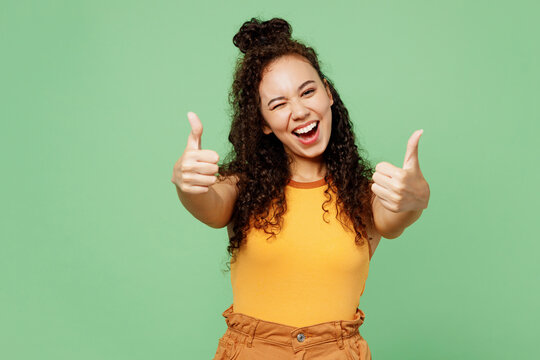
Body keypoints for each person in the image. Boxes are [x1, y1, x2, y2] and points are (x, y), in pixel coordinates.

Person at [171, 17, 430, 360]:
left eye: (308, 91)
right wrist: (188, 184)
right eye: (278, 104)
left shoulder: (363, 194)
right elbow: (209, 203)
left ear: (328, 92)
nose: (299, 111)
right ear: (263, 122)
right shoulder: (243, 188)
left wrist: (417, 196)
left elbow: (395, 216)